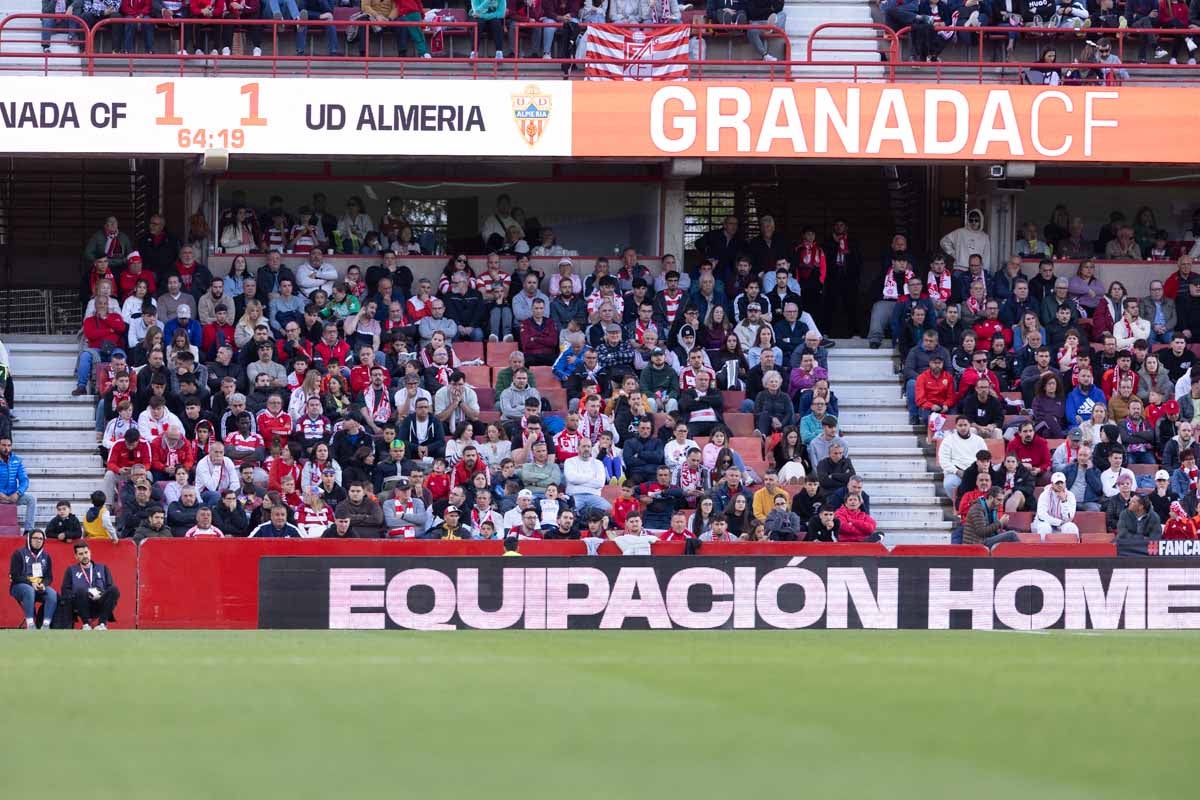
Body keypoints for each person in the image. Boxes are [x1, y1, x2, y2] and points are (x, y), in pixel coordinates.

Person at [9, 529, 56, 630]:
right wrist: (31, 583)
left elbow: (49, 577)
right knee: (29, 590)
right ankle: (30, 624)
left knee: (52, 593)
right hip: (19, 587)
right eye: (35, 538)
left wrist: (44, 584)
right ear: (29, 539)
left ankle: (46, 625)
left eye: (41, 539)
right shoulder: (19, 553)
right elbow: (15, 576)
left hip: (38, 587)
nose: (38, 541)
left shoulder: (46, 556)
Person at [0, 436, 35, 533]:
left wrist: (18, 493)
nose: (6, 448)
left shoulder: (17, 460)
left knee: (31, 500)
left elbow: (24, 480)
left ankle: (28, 531)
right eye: (3, 445)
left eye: (9, 445)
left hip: (13, 496)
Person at [1032, 472, 1079, 537]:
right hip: (1044, 522)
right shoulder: (1044, 494)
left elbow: (1069, 517)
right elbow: (1042, 516)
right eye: (1057, 483)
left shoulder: (1070, 496)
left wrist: (1064, 501)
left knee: (1071, 527)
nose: (1060, 485)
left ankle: (1072, 544)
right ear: (1052, 484)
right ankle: (1042, 544)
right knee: (1044, 528)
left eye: (1062, 482)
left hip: (1062, 524)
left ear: (1065, 483)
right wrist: (1058, 522)